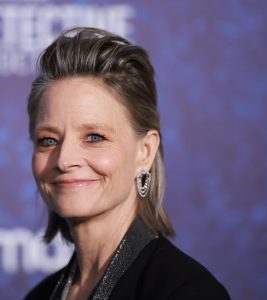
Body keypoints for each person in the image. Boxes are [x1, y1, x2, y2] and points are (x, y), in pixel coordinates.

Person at [24, 27, 230, 300]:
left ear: (144, 152)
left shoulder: (186, 292)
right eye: (48, 140)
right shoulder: (41, 296)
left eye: (94, 137)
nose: (63, 160)